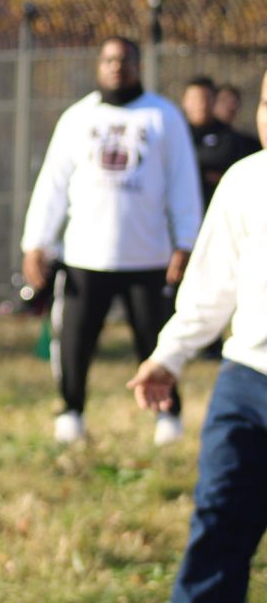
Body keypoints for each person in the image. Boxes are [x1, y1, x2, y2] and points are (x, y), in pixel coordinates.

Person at [127, 68, 267, 602]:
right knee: (217, 525)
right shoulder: (246, 180)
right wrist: (170, 355)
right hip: (246, 384)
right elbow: (211, 285)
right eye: (266, 103)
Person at [21, 37, 202, 445]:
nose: (116, 67)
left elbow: (182, 184)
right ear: (98, 65)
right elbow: (52, 184)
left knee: (157, 342)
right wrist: (37, 242)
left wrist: (185, 241)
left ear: (138, 65)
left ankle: (168, 415)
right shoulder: (77, 118)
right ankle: (71, 411)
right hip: (86, 256)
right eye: (108, 60)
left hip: (147, 255)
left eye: (124, 60)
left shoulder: (163, 116)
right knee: (74, 343)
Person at [181, 76, 255, 209]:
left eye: (205, 98)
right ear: (184, 101)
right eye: (195, 99)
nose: (201, 104)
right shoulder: (176, 134)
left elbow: (222, 157)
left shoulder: (228, 137)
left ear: (214, 100)